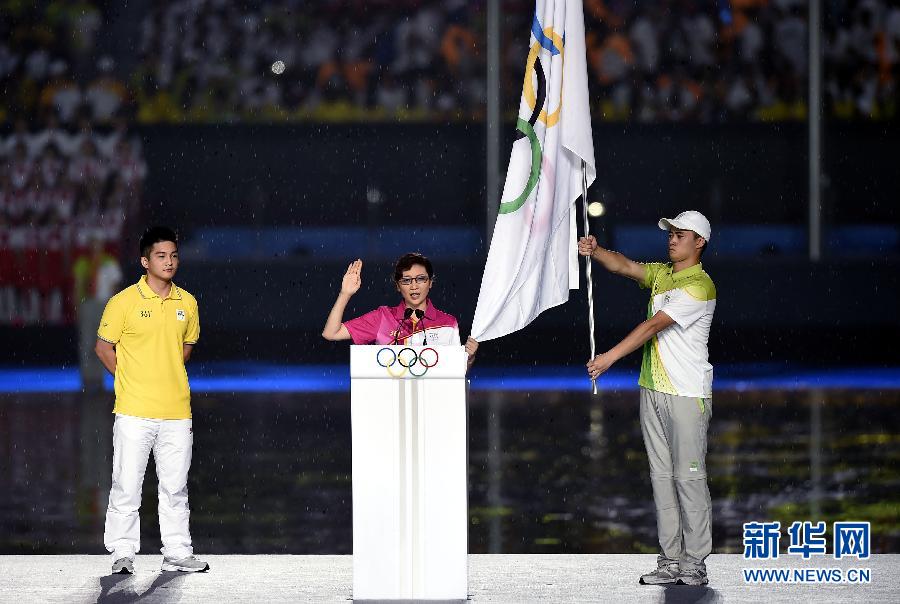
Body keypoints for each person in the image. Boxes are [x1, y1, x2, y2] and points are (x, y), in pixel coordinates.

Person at [579, 210, 716, 586]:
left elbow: (654, 325)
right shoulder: (663, 275)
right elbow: (625, 266)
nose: (672, 239)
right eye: (670, 233)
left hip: (687, 394)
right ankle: (670, 561)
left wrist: (608, 357)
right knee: (661, 477)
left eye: (680, 235)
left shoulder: (699, 285)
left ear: (699, 242)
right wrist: (597, 250)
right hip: (652, 389)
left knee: (689, 478)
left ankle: (695, 564)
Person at [94, 226, 208, 575]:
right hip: (134, 411)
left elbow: (185, 350)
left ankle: (177, 551)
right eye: (161, 256)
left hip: (177, 412)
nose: (169, 261)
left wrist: (161, 374)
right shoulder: (123, 302)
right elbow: (102, 348)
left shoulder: (187, 302)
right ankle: (122, 553)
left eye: (173, 255)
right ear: (145, 261)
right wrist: (131, 381)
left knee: (175, 488)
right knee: (126, 485)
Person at [322, 252, 478, 366]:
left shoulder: (448, 323)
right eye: (406, 280)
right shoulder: (382, 317)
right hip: (391, 406)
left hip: (431, 406)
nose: (414, 286)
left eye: (421, 279)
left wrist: (469, 358)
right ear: (397, 286)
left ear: (430, 282)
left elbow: (457, 373)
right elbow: (331, 333)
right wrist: (345, 294)